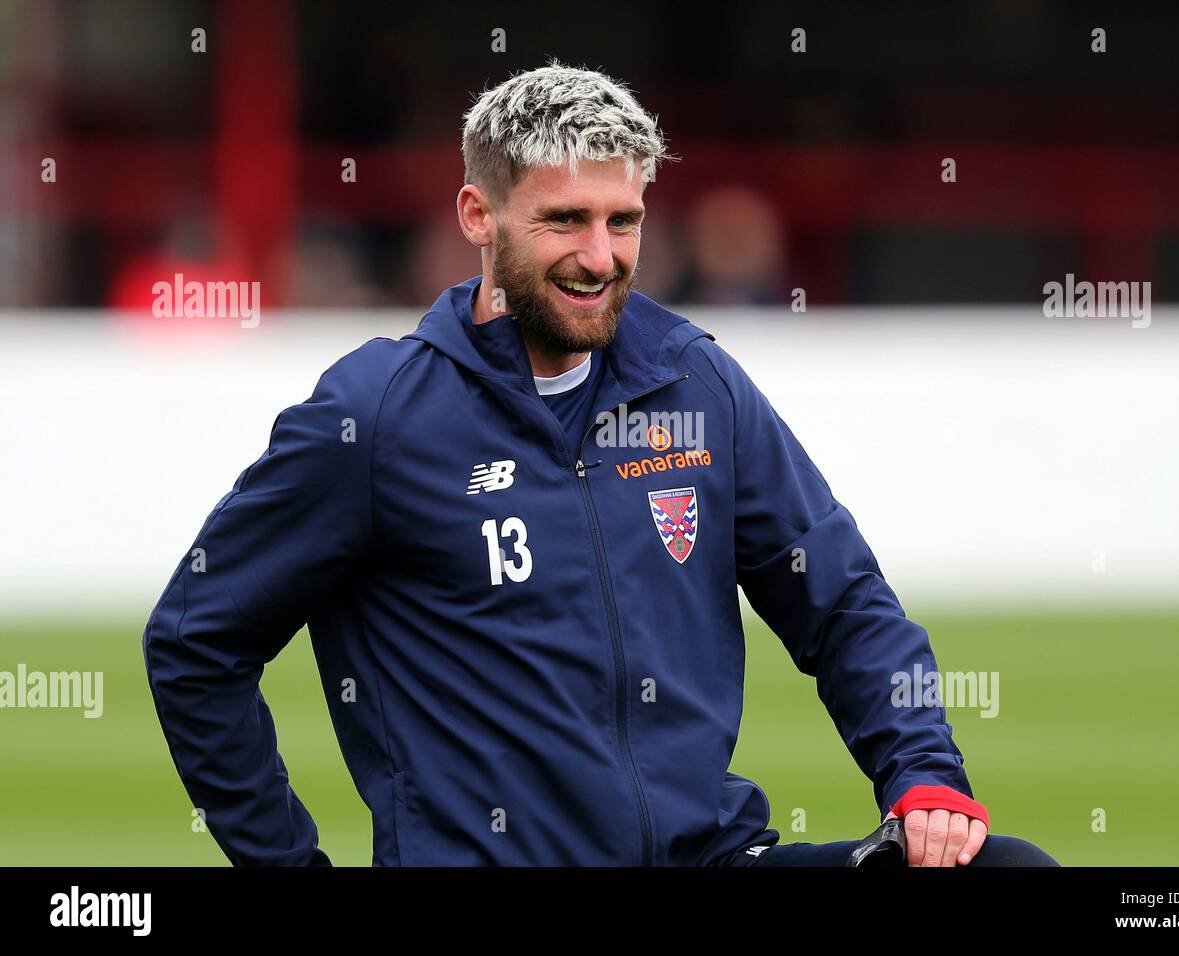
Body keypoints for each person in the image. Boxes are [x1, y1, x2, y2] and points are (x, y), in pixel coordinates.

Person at [143, 60, 1057, 867]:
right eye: (564, 220)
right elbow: (194, 642)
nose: (599, 256)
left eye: (624, 221)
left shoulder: (695, 380)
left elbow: (844, 599)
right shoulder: (373, 416)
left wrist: (923, 773)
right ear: (477, 215)